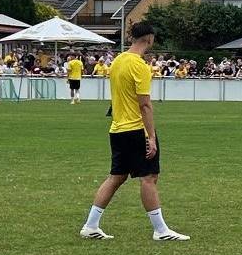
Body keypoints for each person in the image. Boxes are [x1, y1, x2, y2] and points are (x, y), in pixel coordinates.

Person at [80, 22, 189, 241]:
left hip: (117, 128)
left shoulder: (118, 61)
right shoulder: (139, 65)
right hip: (135, 129)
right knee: (149, 177)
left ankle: (91, 225)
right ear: (150, 39)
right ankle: (160, 230)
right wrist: (151, 136)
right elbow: (145, 105)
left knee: (116, 177)